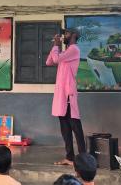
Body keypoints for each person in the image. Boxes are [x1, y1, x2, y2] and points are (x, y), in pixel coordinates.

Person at [46, 28, 86, 165]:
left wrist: (56, 45)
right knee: (65, 128)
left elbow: (56, 59)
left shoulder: (74, 49)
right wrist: (55, 46)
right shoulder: (65, 52)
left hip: (68, 93)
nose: (64, 36)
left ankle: (83, 158)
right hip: (61, 95)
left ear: (74, 36)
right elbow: (49, 62)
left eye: (67, 34)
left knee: (75, 125)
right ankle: (70, 158)